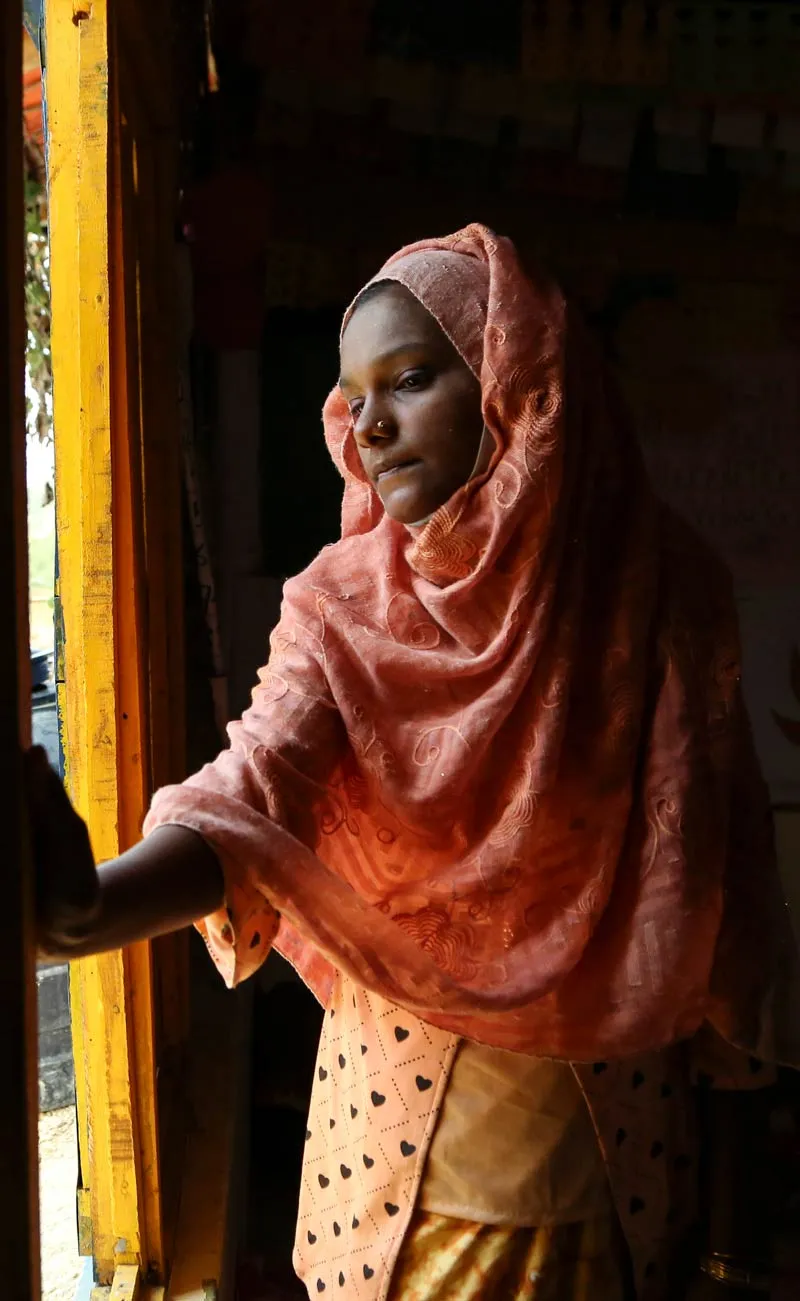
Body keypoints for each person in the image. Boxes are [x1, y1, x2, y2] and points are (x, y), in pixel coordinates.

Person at [29, 225, 799, 1301]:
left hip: (617, 1189)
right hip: (395, 1190)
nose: (369, 423)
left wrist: (731, 1245)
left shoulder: (657, 593)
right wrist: (86, 912)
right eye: (352, 396)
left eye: (412, 377)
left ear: (512, 381)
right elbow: (249, 794)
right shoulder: (342, 609)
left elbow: (725, 913)